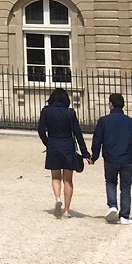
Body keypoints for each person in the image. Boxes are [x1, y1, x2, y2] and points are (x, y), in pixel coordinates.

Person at [89, 92, 132, 224]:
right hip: (126, 158)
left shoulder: (103, 121)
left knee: (111, 182)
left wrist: (94, 157)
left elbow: (97, 140)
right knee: (125, 187)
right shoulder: (131, 122)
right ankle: (124, 216)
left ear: (111, 105)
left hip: (110, 157)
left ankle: (112, 205)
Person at [37, 87, 90, 218]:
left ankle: (57, 198)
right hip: (68, 145)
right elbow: (78, 133)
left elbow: (41, 130)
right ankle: (66, 210)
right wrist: (85, 153)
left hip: (54, 144)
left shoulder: (46, 111)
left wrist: (47, 142)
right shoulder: (70, 113)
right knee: (68, 179)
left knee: (55, 177)